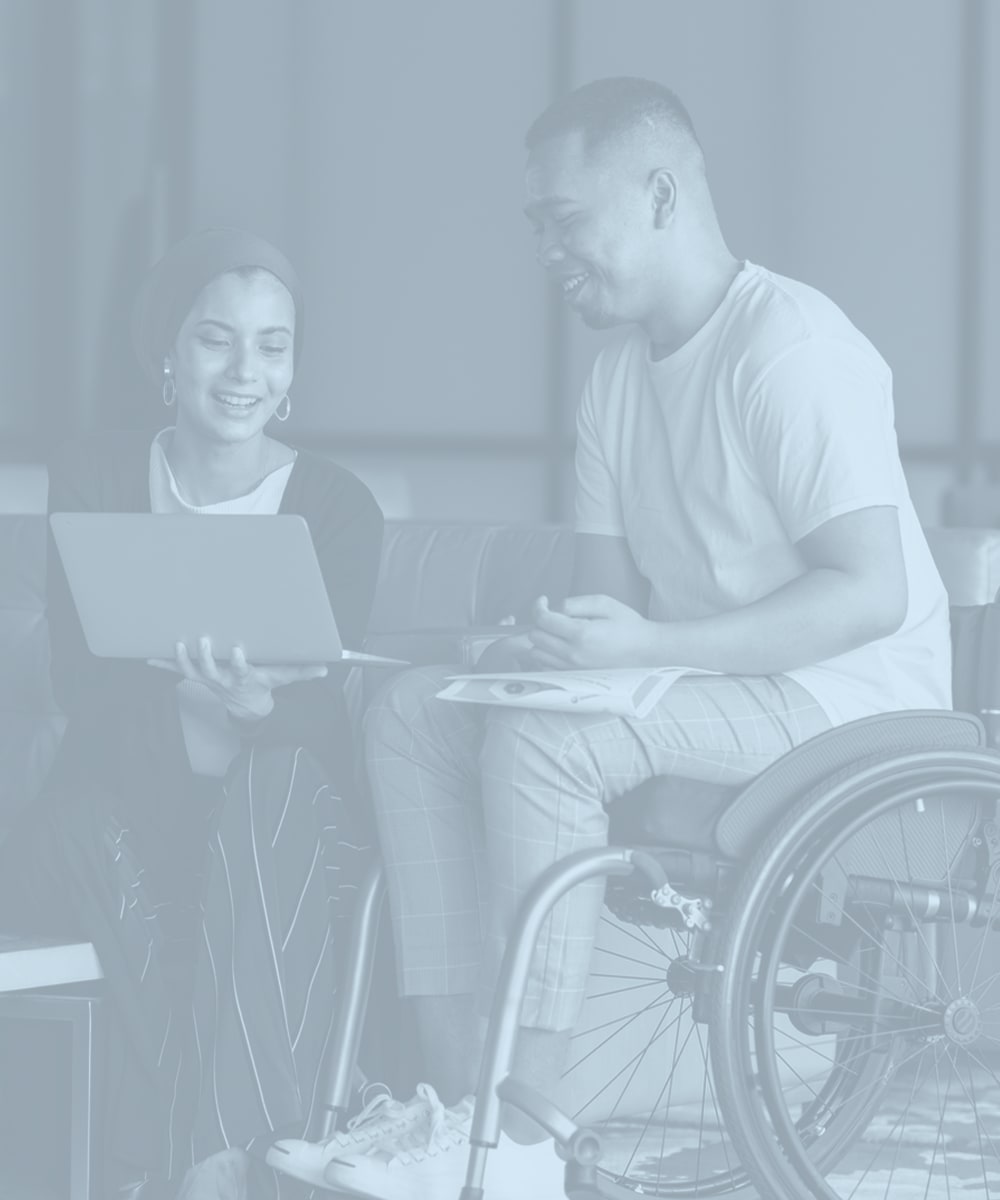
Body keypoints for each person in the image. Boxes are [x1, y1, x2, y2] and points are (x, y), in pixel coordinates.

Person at [271, 77, 953, 1200]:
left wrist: (629, 656)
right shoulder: (614, 382)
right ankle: (460, 1114)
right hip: (712, 696)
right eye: (534, 223)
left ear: (658, 193)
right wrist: (529, 655)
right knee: (412, 715)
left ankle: (528, 1136)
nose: (545, 247)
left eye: (564, 218)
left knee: (553, 743)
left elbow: (868, 595)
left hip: (848, 709)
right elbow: (607, 614)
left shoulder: (786, 346)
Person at [0, 229, 384, 1199]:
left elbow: (323, 716)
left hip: (282, 824)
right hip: (129, 811)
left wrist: (258, 708)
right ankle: (220, 1160)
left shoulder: (337, 506)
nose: (244, 370)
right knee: (76, 823)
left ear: (294, 367)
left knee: (273, 793)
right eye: (216, 340)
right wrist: (190, 686)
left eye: (272, 344)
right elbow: (83, 686)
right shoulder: (97, 473)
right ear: (165, 355)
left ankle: (186, 1166)